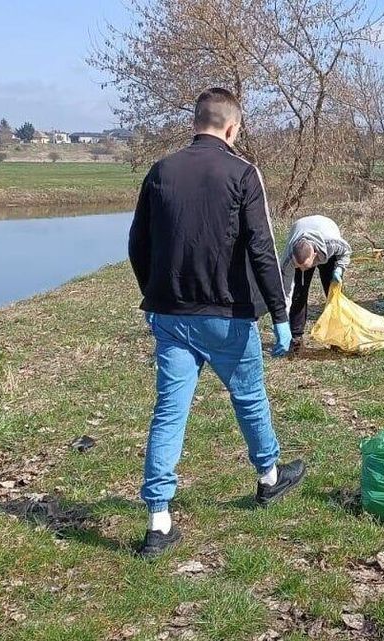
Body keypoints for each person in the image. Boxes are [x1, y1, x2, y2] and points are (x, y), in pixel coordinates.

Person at [128, 87, 306, 558]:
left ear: (196, 122)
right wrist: (281, 316)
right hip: (227, 318)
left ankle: (158, 521)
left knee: (170, 410)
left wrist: (157, 291)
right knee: (248, 397)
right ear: (232, 128)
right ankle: (269, 477)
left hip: (169, 315)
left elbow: (136, 244)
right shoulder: (244, 173)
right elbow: (263, 250)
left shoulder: (160, 172)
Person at [279, 215, 352, 349]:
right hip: (299, 227)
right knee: (298, 293)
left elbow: (346, 252)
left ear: (314, 254)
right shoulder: (289, 260)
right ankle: (296, 337)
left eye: (305, 266)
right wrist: (282, 319)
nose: (301, 269)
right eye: (298, 266)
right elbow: (286, 290)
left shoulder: (333, 243)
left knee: (332, 292)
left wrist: (340, 269)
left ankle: (336, 337)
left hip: (326, 229)